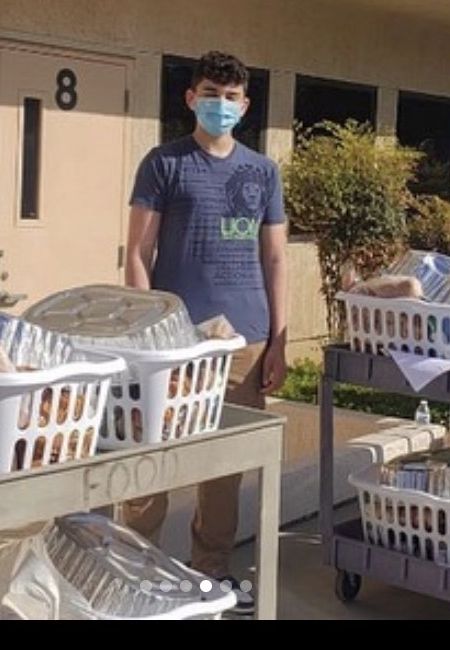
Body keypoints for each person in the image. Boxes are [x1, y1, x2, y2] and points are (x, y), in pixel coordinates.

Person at [121, 50, 288, 615]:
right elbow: (139, 253)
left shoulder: (263, 172)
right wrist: (148, 334)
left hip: (244, 341)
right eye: (211, 94)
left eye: (232, 96)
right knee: (150, 463)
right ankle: (135, 578)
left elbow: (275, 260)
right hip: (173, 345)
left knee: (223, 470)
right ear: (191, 98)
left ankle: (209, 579)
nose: (222, 104)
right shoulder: (164, 164)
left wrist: (280, 339)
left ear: (246, 104)